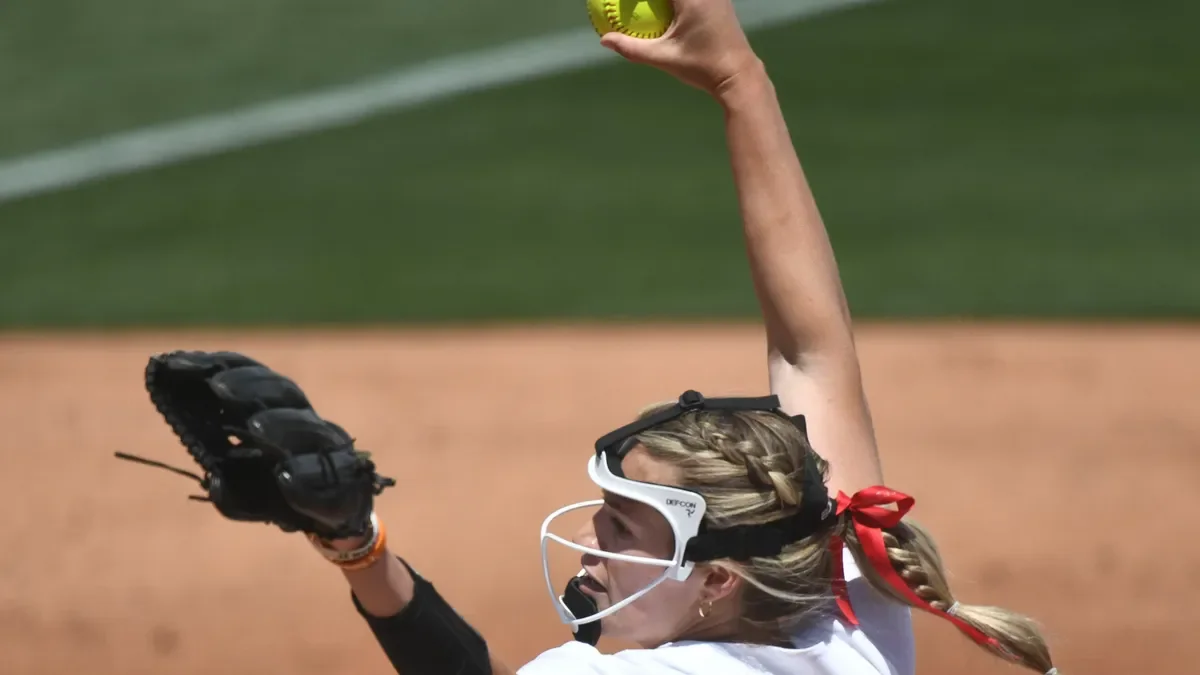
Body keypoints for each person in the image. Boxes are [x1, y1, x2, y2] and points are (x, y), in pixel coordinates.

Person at [304, 1, 1060, 673]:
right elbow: (811, 349)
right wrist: (737, 79)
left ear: (717, 579)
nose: (592, 535)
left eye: (624, 524)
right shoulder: (846, 625)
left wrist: (358, 548)